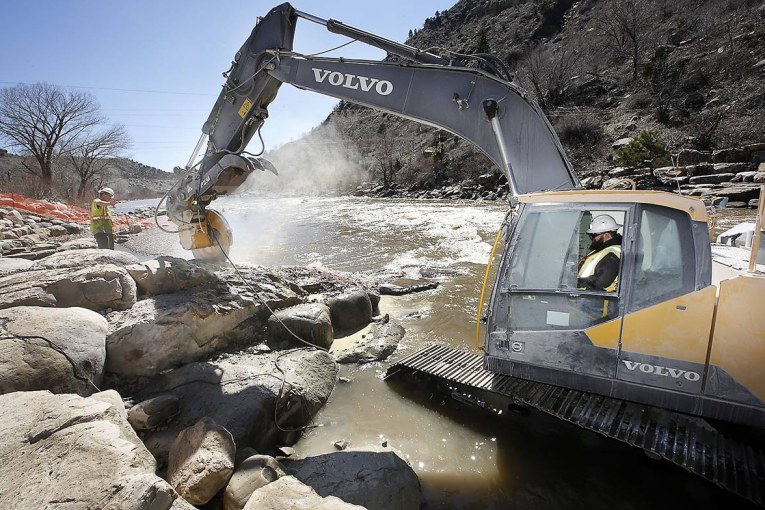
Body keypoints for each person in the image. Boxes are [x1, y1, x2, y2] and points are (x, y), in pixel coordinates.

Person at [577, 214, 622, 292]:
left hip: (595, 300)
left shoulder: (612, 254)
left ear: (607, 235)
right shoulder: (603, 250)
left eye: (593, 235)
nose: (591, 238)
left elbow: (600, 283)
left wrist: (575, 283)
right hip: (587, 297)